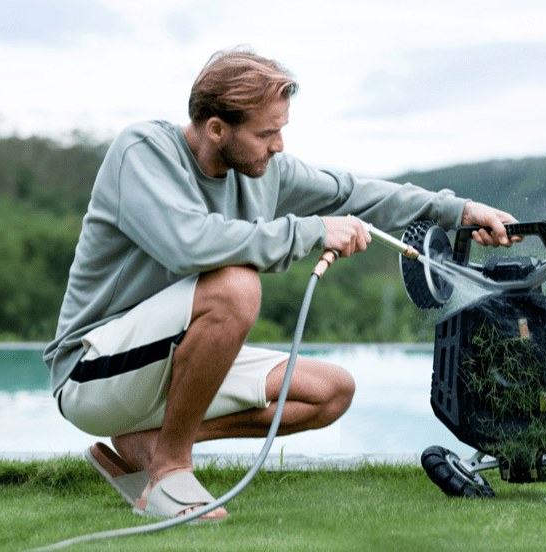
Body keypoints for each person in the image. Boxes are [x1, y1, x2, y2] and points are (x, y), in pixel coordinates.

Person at [43, 47, 519, 522]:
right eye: (267, 133)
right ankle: (170, 469)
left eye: (281, 131)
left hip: (166, 361)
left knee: (330, 391)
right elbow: (188, 243)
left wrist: (459, 211)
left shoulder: (266, 172)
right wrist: (312, 232)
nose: (279, 146)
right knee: (236, 287)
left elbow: (355, 193)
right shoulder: (142, 151)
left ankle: (151, 443)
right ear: (216, 128)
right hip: (93, 368)